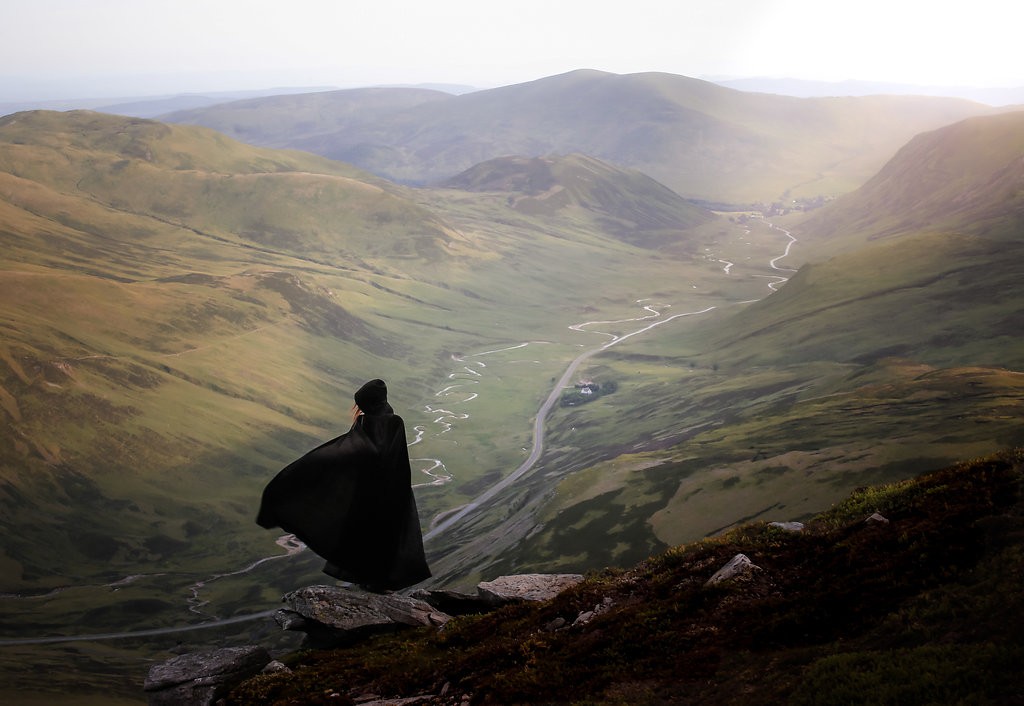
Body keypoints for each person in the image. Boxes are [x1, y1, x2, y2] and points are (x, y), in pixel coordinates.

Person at [256, 379, 431, 591]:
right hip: (388, 493)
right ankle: (378, 581)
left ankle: (374, 581)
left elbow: (355, 451)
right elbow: (393, 460)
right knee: (382, 537)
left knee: (368, 536)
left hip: (372, 494)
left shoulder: (375, 423)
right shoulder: (387, 423)